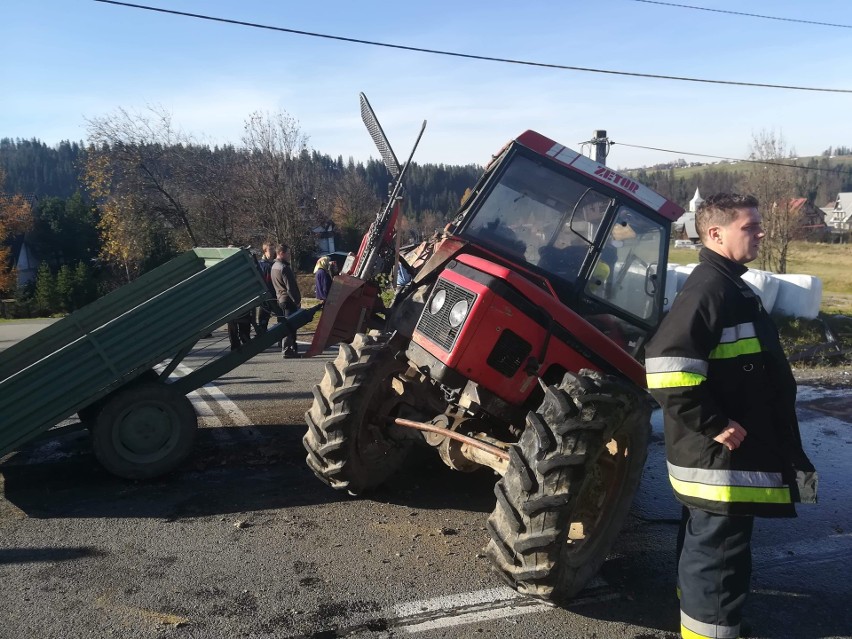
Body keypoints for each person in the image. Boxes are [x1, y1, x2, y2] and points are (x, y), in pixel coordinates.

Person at [644, 193, 817, 639]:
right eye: (750, 226)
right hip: (720, 461)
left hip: (719, 460)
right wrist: (714, 422)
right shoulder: (712, 288)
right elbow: (666, 365)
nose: (760, 233)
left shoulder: (728, 285)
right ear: (716, 234)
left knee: (707, 550)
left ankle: (698, 619)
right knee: (719, 561)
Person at [271, 243, 302, 359]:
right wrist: (297, 301)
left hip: (280, 299)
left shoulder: (274, 266)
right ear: (281, 253)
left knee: (284, 324)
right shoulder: (284, 268)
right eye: (288, 253)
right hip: (288, 299)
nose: (289, 256)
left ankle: (286, 347)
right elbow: (291, 287)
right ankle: (288, 349)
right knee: (291, 325)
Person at [255, 242, 278, 335]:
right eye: (270, 250)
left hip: (276, 293)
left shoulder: (275, 263)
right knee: (264, 315)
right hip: (266, 294)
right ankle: (261, 331)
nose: (273, 252)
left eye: (273, 249)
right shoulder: (261, 265)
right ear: (265, 251)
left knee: (280, 314)